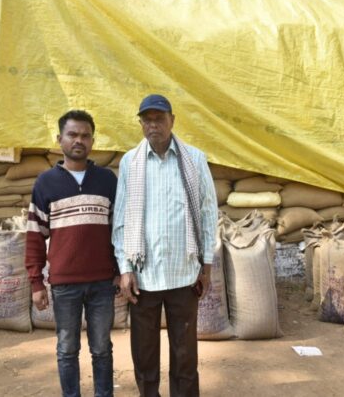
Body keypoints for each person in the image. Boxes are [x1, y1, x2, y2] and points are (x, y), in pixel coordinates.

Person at [113, 94, 218, 397]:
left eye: (159, 119)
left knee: (185, 355)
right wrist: (125, 269)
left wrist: (206, 265)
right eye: (146, 120)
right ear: (141, 124)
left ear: (172, 120)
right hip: (143, 276)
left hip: (183, 273)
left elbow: (208, 213)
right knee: (144, 353)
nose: (153, 125)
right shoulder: (130, 162)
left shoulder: (194, 159)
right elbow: (121, 220)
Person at [26, 110, 119, 397]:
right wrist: (36, 282)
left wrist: (120, 271)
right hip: (64, 284)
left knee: (102, 348)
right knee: (67, 349)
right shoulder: (45, 183)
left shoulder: (107, 180)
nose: (79, 140)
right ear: (60, 139)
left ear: (93, 141)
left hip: (102, 283)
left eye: (85, 135)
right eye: (72, 134)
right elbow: (35, 235)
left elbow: (119, 231)